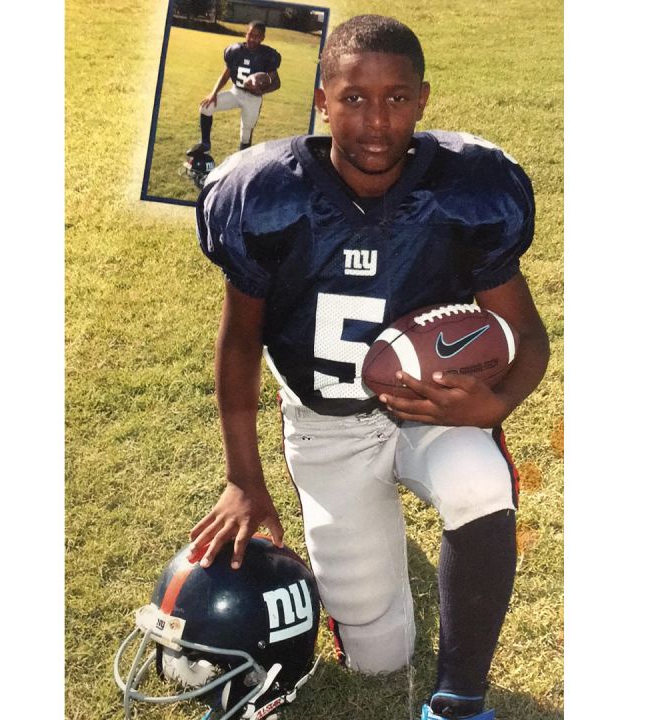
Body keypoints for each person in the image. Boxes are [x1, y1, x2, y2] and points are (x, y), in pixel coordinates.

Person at [190, 14, 550, 720]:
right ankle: (374, 560)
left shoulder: (466, 188)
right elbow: (239, 343)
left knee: (481, 482)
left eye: (395, 98)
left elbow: (527, 335)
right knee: (381, 655)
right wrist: (243, 478)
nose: (376, 120)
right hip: (326, 425)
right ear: (322, 102)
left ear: (422, 99)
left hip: (428, 409)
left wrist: (493, 404)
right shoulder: (268, 193)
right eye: (354, 98)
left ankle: (459, 701)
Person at [186, 20, 282, 157]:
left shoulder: (267, 55)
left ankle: (242, 160)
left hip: (253, 98)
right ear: (245, 34)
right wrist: (213, 93)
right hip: (235, 92)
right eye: (250, 35)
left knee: (246, 134)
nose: (253, 39)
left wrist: (262, 91)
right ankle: (205, 144)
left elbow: (276, 83)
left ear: (262, 38)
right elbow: (225, 76)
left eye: (257, 36)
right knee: (206, 108)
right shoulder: (235, 51)